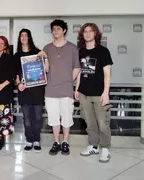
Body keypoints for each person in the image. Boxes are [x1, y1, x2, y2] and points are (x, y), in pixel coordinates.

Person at [75, 23, 113, 163]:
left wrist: (106, 93)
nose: (88, 33)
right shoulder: (81, 52)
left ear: (96, 34)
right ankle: (93, 145)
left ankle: (105, 148)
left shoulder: (103, 51)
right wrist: (77, 88)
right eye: (85, 31)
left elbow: (107, 74)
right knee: (89, 122)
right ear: (82, 34)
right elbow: (80, 71)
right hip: (84, 93)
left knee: (103, 123)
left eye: (91, 31)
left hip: (99, 94)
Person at [43, 19, 80, 155]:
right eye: (54, 29)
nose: (56, 31)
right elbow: (46, 70)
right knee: (53, 118)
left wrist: (67, 80)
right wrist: (44, 58)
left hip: (66, 89)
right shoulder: (47, 48)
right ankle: (56, 142)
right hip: (50, 89)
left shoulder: (72, 48)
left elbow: (76, 68)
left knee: (66, 117)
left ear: (64, 30)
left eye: (58, 29)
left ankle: (65, 142)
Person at [14, 29, 49, 152]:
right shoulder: (16, 56)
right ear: (19, 38)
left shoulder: (37, 53)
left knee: (38, 118)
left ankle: (36, 140)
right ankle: (29, 140)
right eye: (21, 35)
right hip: (24, 91)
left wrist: (45, 57)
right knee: (27, 119)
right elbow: (15, 75)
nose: (23, 37)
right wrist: (18, 84)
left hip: (38, 90)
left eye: (26, 35)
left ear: (29, 38)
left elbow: (46, 70)